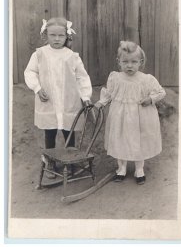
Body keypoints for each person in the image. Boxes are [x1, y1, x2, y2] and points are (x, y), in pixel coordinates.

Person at [24, 17, 92, 178]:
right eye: (52, 35)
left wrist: (86, 96)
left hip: (68, 101)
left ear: (67, 36)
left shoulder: (71, 56)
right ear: (45, 35)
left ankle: (71, 160)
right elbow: (30, 72)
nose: (56, 39)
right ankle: (51, 161)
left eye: (60, 36)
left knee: (69, 131)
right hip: (49, 101)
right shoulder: (39, 54)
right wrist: (37, 88)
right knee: (50, 132)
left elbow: (82, 77)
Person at [95, 41, 166, 184]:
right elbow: (109, 93)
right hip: (120, 116)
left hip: (140, 118)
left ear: (140, 62)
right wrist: (100, 103)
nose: (129, 65)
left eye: (134, 62)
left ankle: (139, 169)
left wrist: (150, 99)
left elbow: (161, 92)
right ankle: (121, 168)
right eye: (125, 62)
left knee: (139, 141)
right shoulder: (115, 78)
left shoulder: (146, 79)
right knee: (120, 140)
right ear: (118, 62)